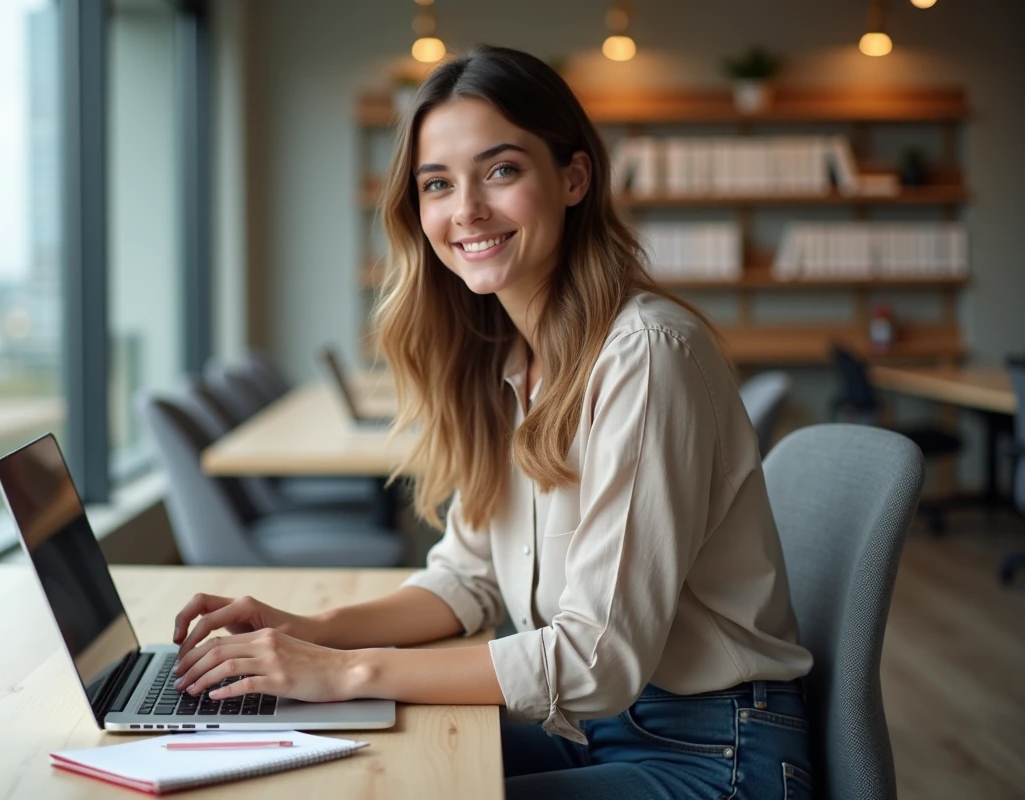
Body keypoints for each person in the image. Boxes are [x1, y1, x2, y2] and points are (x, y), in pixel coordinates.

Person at [169, 45, 814, 799]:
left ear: (573, 178)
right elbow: (467, 580)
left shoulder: (645, 354)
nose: (466, 209)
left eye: (501, 171)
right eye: (437, 184)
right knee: (331, 761)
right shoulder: (510, 359)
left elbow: (594, 661)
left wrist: (345, 671)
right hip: (592, 725)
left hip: (716, 754)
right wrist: (310, 632)